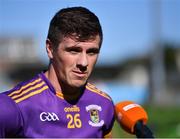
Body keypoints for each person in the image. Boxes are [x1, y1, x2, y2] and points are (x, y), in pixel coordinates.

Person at [0, 6, 115, 138]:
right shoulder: (12, 106)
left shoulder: (104, 104)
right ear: (50, 49)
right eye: (74, 50)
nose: (83, 62)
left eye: (92, 52)